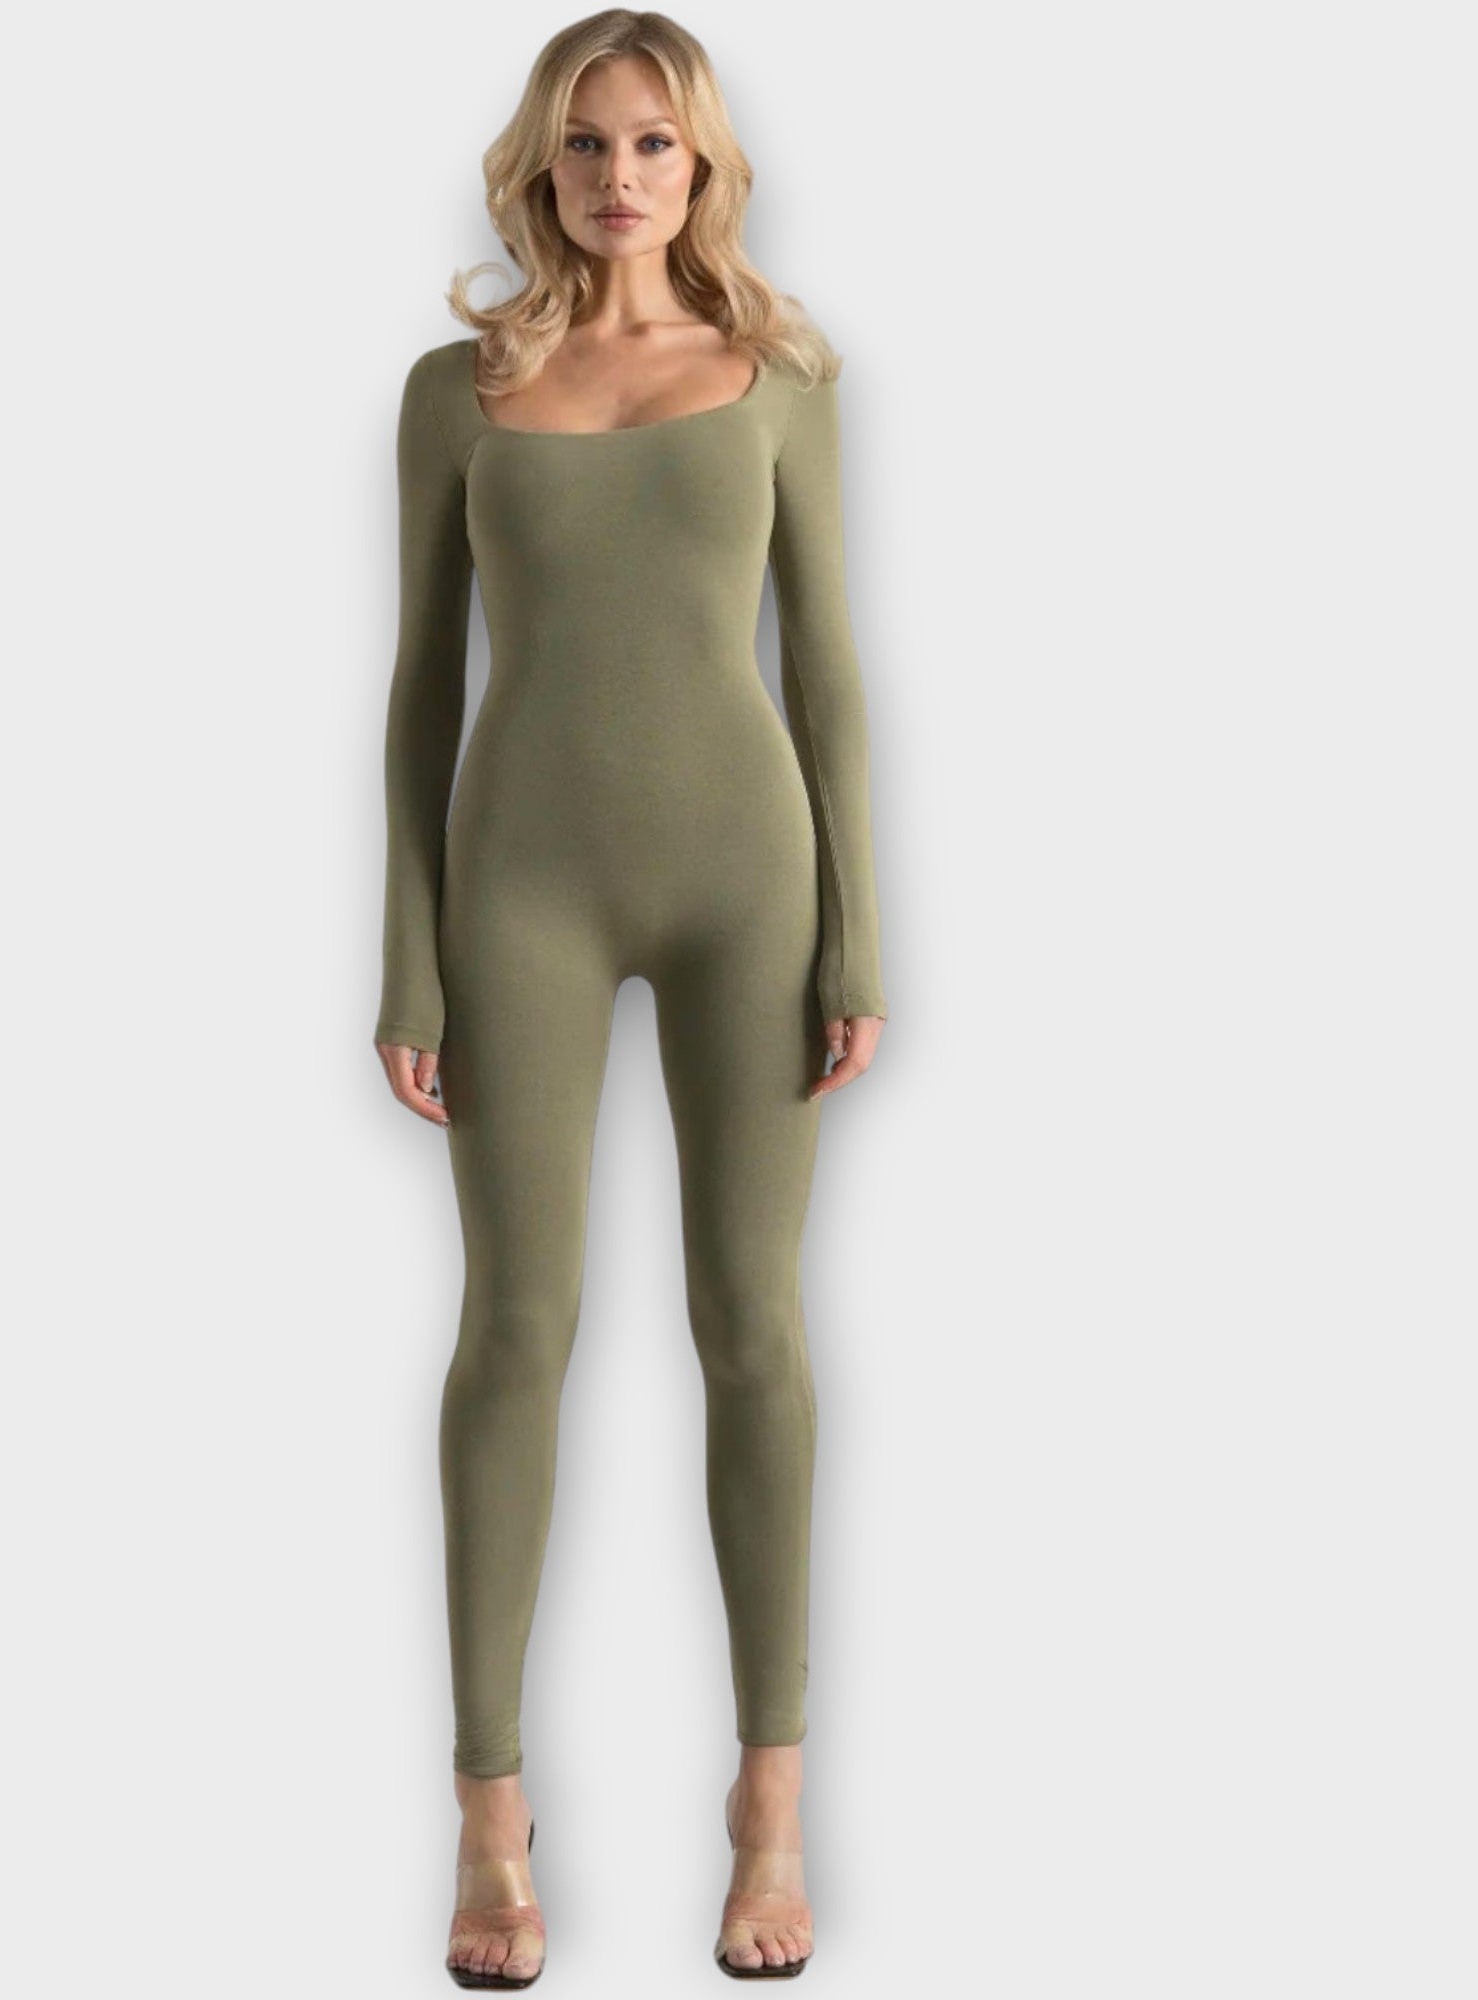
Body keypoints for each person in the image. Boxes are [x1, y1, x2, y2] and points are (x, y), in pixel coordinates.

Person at [372, 11, 887, 1985]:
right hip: (522, 891)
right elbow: (419, 689)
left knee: (752, 1326)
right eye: (584, 144)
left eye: (652, 145)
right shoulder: (458, 391)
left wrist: (859, 935)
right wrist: (408, 950)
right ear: (541, 164)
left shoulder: (782, 377)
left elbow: (827, 671)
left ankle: (769, 1805)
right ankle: (489, 1819)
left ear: (702, 168)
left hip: (748, 885)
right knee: (514, 1329)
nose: (616, 177)